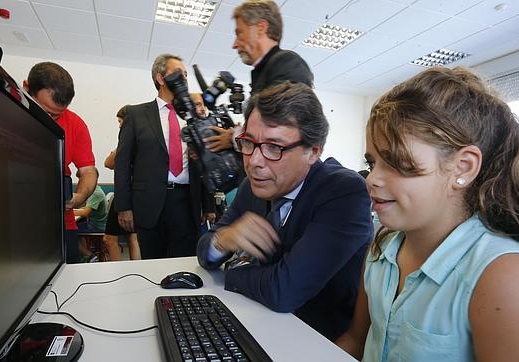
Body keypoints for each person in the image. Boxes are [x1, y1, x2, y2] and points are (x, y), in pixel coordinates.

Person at [336, 67, 519, 361]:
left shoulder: (507, 279)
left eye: (395, 162)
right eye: (372, 161)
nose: (372, 179)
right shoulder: (382, 249)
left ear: (463, 167)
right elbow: (356, 341)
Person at [196, 82, 373, 341]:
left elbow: (285, 290)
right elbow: (204, 252)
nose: (254, 162)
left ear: (313, 152)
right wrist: (223, 240)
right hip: (258, 321)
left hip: (317, 339)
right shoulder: (252, 186)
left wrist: (232, 273)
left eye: (274, 147)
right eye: (249, 143)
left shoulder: (343, 192)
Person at [114, 54, 215, 259]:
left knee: (184, 265)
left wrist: (209, 204)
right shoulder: (136, 114)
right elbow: (122, 163)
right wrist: (123, 206)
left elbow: (205, 163)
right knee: (153, 265)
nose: (185, 78)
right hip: (149, 203)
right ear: (160, 78)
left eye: (186, 74)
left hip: (187, 202)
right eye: (179, 73)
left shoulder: (193, 115)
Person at [204, 0, 314, 154]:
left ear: (261, 28)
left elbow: (279, 125)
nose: (235, 44)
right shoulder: (262, 72)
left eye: (239, 33)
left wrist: (234, 137)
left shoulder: (288, 62)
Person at [23, 62, 97, 264]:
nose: (51, 119)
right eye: (46, 112)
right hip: (15, 223)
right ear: (26, 88)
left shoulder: (75, 124)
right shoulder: (4, 113)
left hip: (62, 224)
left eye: (57, 114)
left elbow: (88, 171)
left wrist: (79, 196)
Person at [103, 105, 140, 261]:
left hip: (124, 192)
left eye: (120, 121)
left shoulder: (131, 141)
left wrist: (119, 147)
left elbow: (108, 163)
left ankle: (116, 272)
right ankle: (137, 272)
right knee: (133, 237)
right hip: (137, 193)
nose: (119, 125)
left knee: (109, 239)